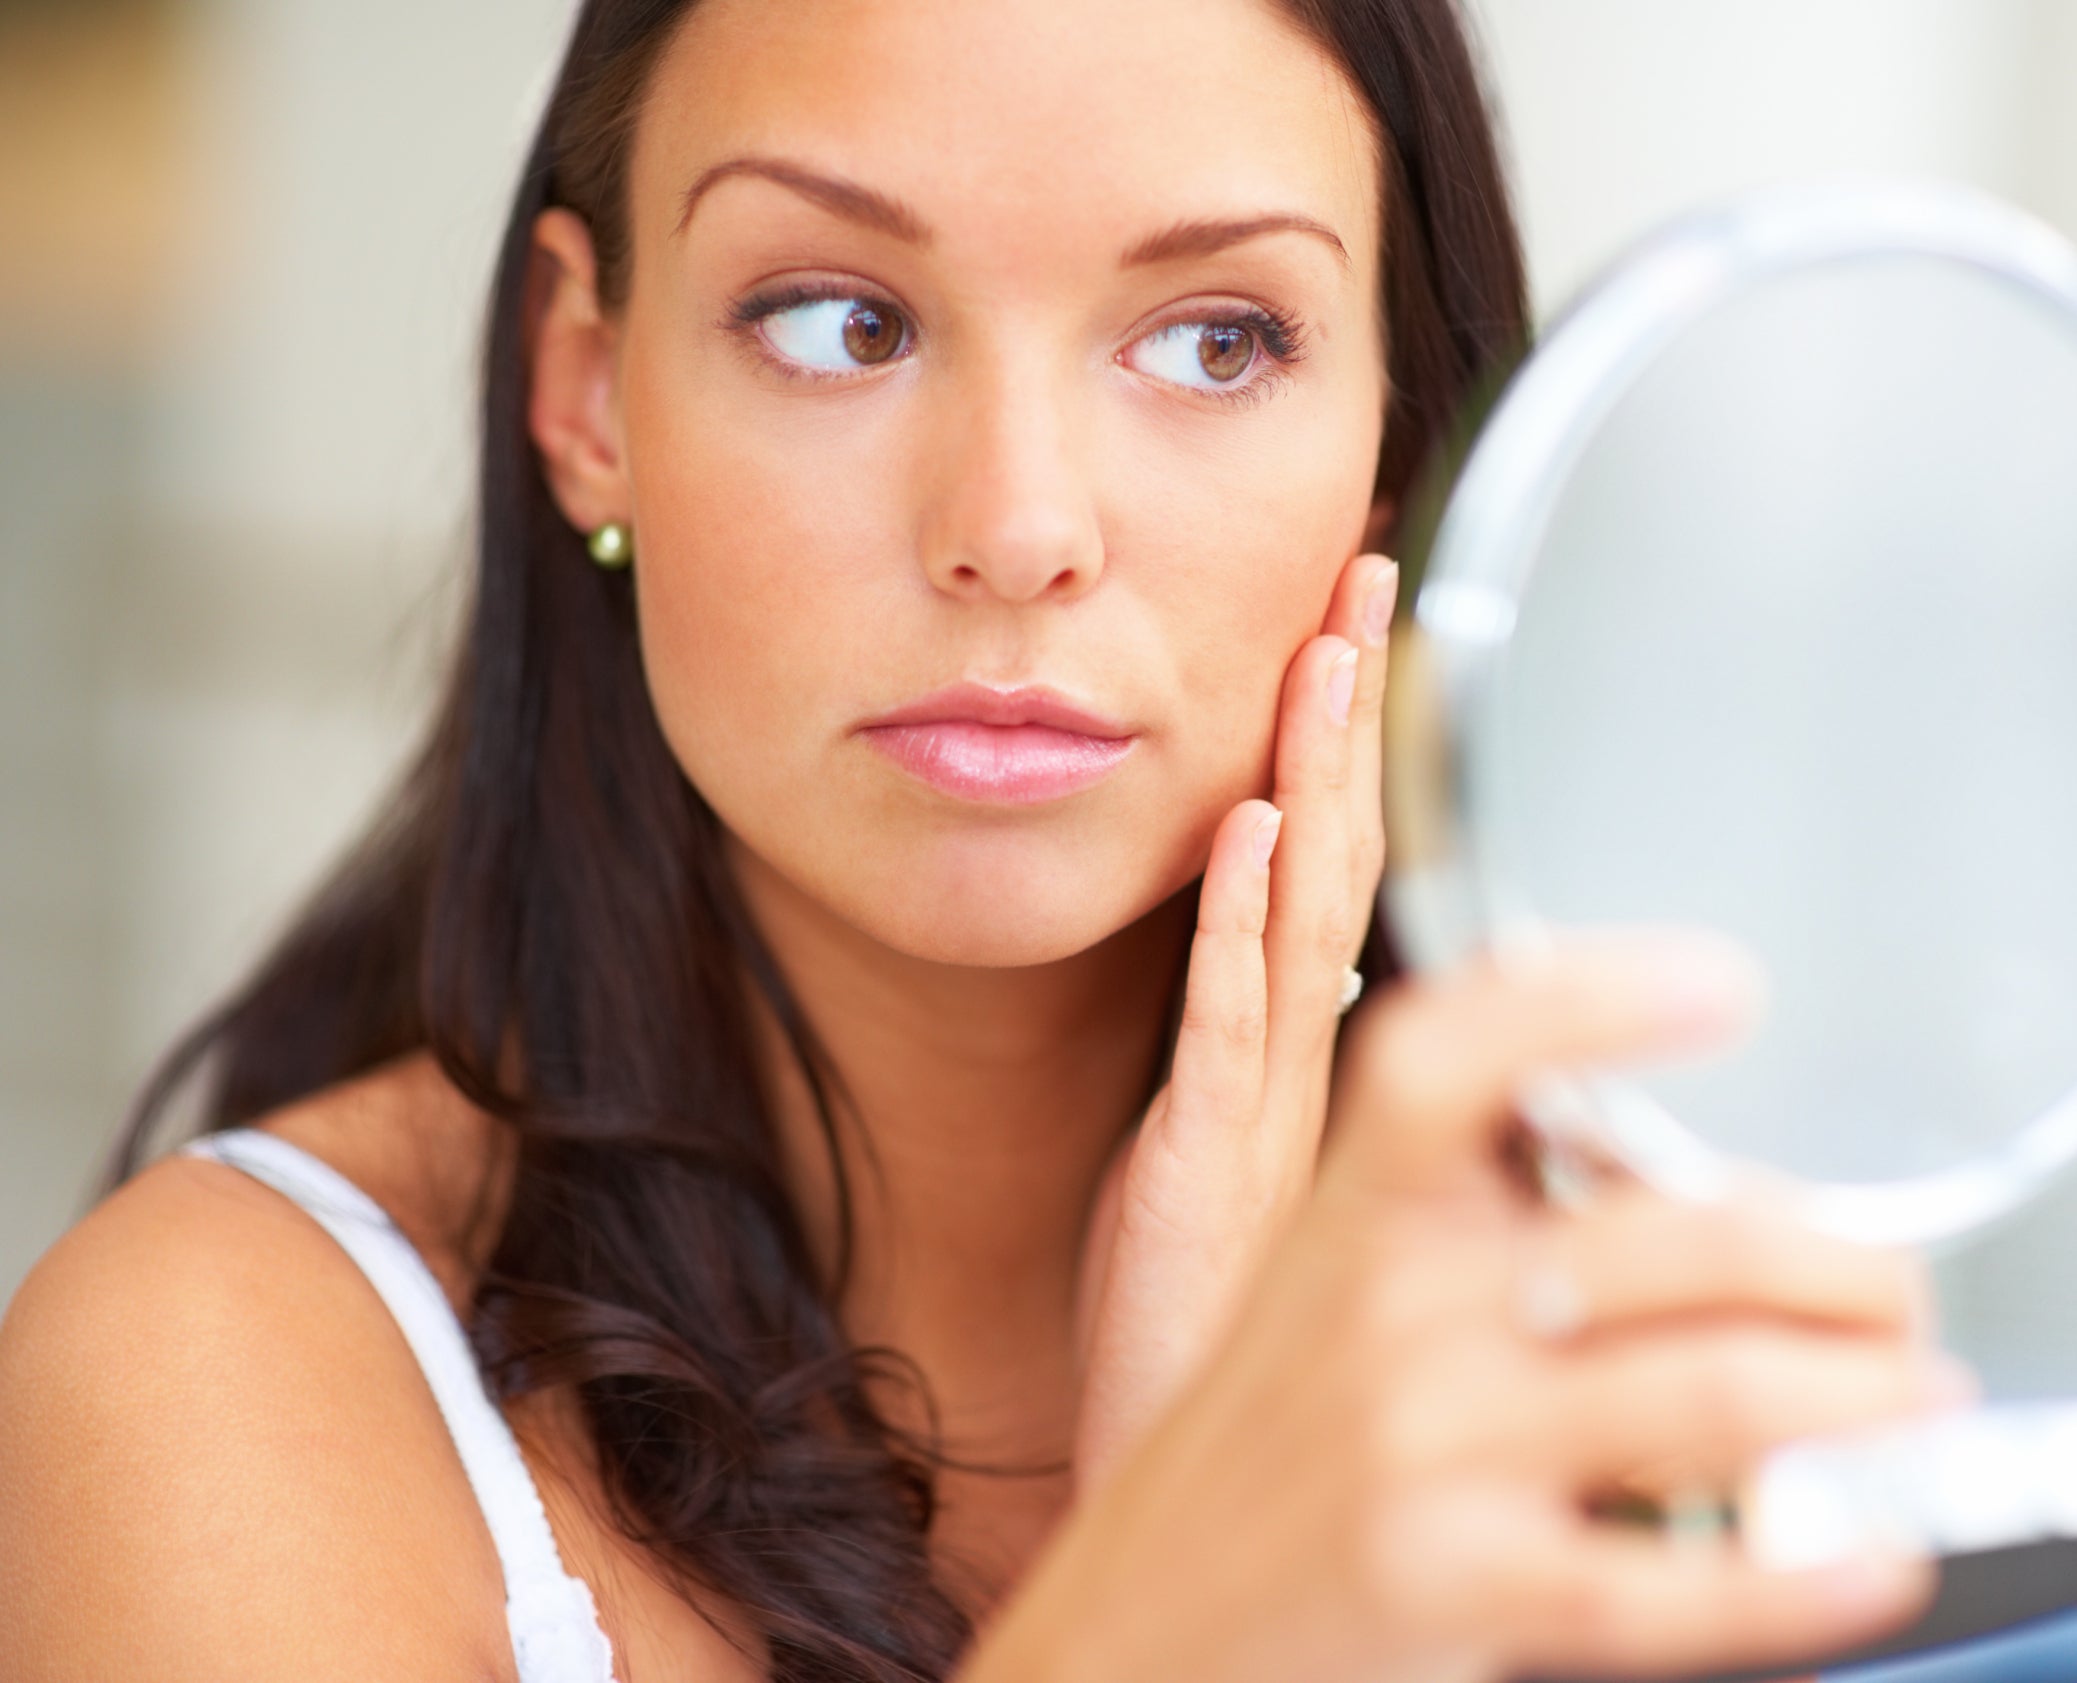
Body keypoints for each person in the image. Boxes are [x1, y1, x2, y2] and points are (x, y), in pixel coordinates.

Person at [0, 2, 1968, 1679]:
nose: (1017, 523)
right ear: (590, 385)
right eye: (840, 318)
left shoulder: (1646, 1332)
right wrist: (1184, 1575)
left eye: (1214, 341)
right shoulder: (217, 1385)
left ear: (1401, 442)